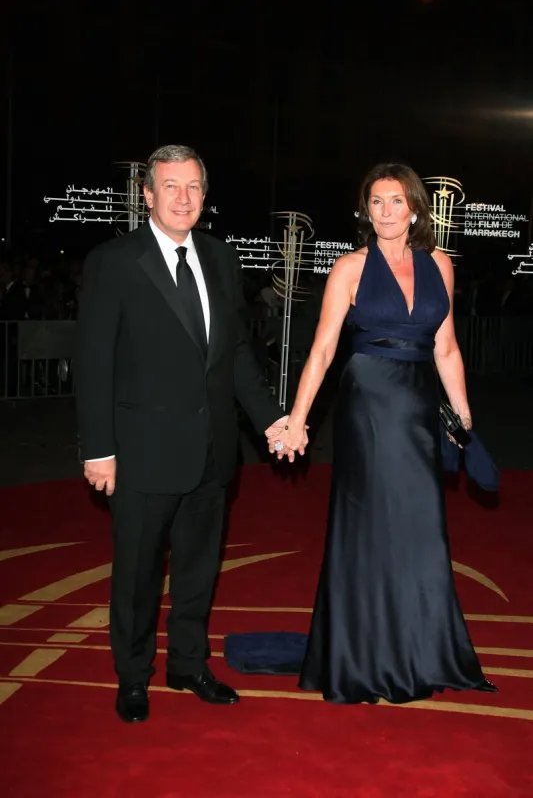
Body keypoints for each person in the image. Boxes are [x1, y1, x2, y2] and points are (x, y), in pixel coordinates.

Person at [76, 144, 289, 723]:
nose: (183, 198)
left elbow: (236, 356)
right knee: (139, 575)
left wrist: (271, 417)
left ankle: (189, 664)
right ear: (147, 194)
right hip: (141, 453)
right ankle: (133, 675)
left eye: (193, 186)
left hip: (214, 451)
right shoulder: (114, 261)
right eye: (170, 186)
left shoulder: (221, 259)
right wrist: (98, 449)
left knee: (198, 571)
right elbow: (94, 361)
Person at [271, 163, 497, 704]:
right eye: (377, 202)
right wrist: (299, 418)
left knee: (421, 526)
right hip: (369, 400)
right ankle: (362, 655)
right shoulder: (348, 268)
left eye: (397, 201)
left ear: (415, 208)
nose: (388, 211)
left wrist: (462, 415)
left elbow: (446, 346)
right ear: (365, 210)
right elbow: (324, 349)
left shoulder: (439, 264)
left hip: (420, 403)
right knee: (371, 524)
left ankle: (425, 650)